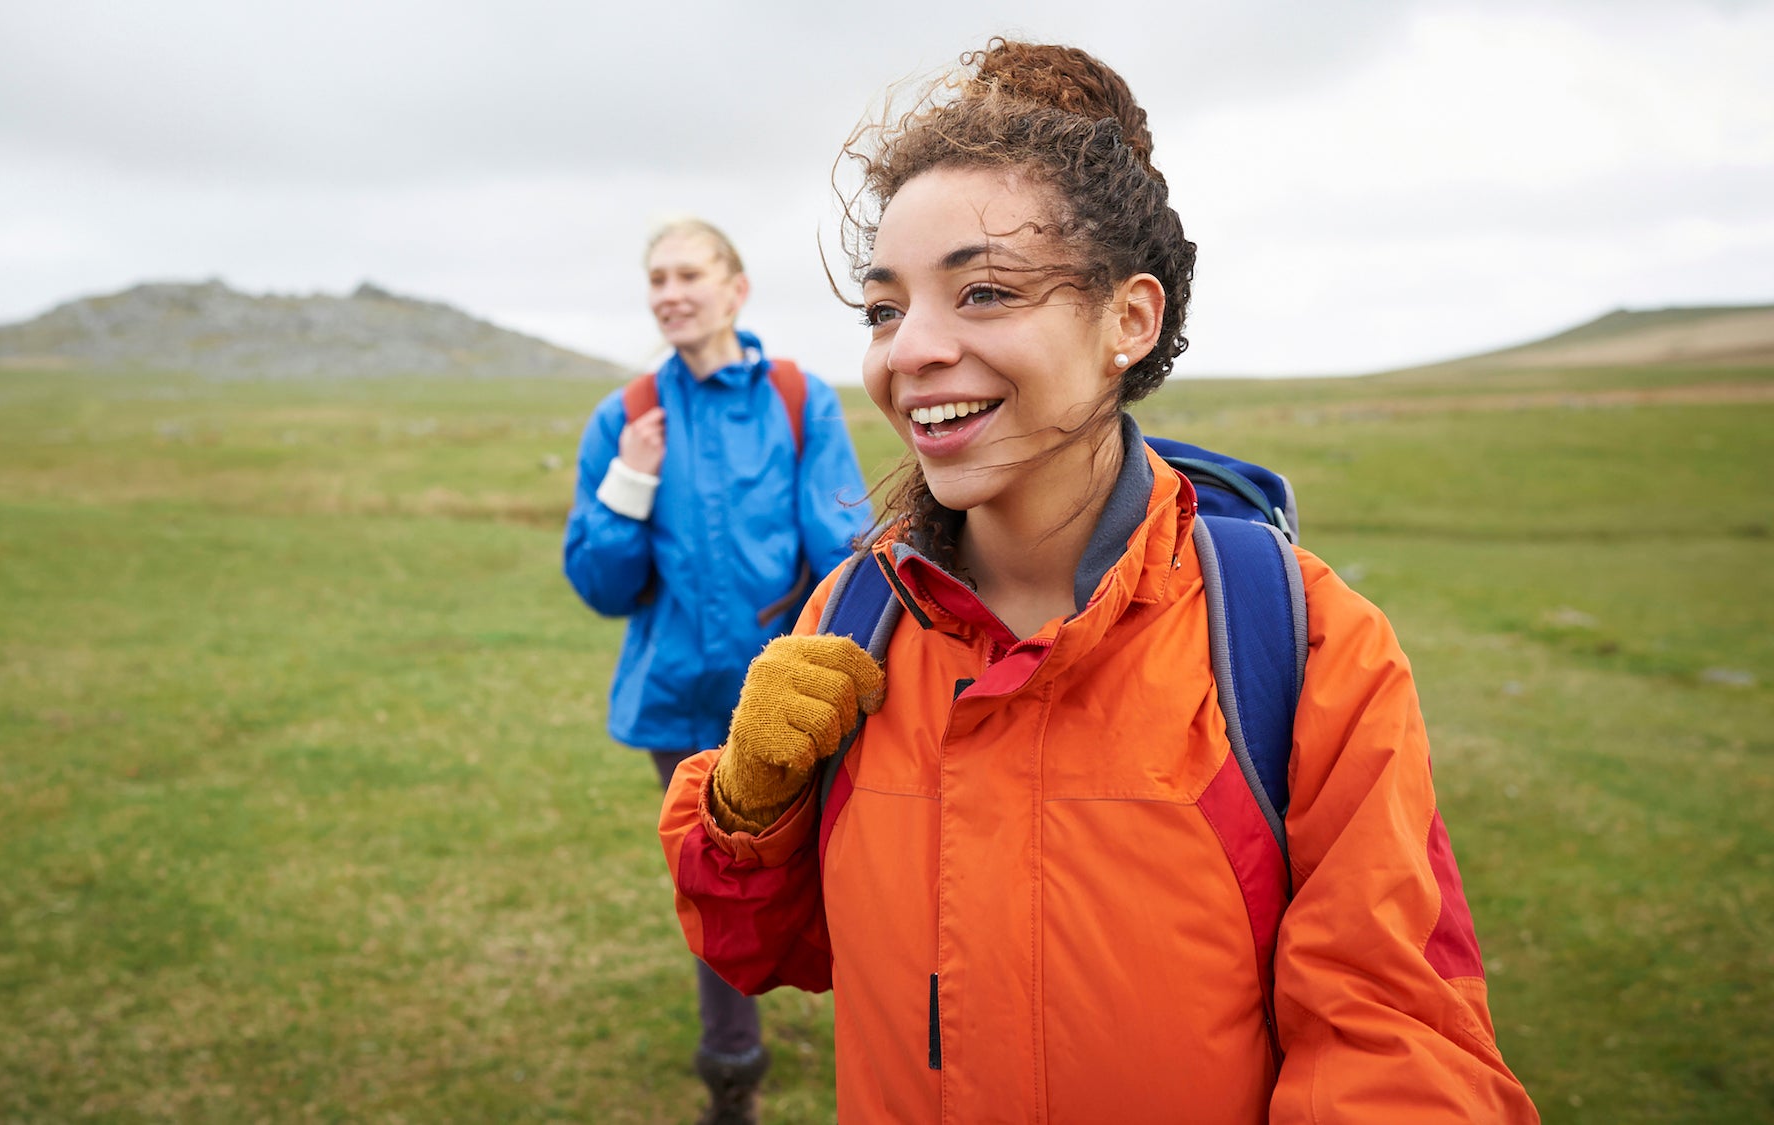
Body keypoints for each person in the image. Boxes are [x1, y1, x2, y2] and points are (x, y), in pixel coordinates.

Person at [658, 41, 1538, 1122]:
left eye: (982, 292)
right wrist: (747, 809)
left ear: (1129, 320)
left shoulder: (1297, 642)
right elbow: (757, 947)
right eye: (883, 310)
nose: (910, 351)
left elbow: (1399, 1041)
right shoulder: (855, 622)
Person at [563, 218, 872, 1124]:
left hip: (795, 701)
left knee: (849, 872)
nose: (670, 292)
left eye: (689, 273)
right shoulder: (625, 418)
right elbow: (601, 583)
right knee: (718, 885)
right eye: (656, 277)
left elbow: (838, 547)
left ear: (735, 290)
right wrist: (628, 483)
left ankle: (889, 1044)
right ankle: (732, 1074)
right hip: (681, 702)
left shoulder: (797, 399)